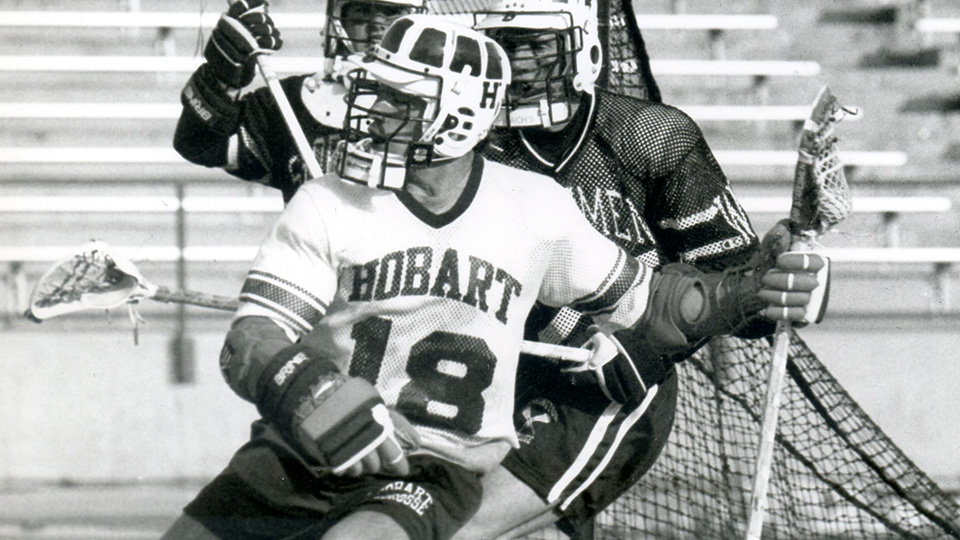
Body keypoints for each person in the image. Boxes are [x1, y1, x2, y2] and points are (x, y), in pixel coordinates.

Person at [161, 14, 826, 540]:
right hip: (303, 442)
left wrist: (755, 287)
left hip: (432, 463)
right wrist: (309, 391)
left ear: (455, 114)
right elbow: (250, 339)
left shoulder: (533, 208)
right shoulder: (329, 201)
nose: (369, 112)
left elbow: (652, 304)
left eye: (397, 100)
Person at [450, 0, 828, 537]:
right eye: (507, 47)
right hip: (499, 369)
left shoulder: (648, 137)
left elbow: (733, 288)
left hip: (615, 381)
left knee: (467, 526)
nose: (521, 64)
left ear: (584, 45)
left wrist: (781, 280)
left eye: (536, 44)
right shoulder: (470, 143)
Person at [172, 0, 425, 202]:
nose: (378, 26)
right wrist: (222, 79)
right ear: (338, 20)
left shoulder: (441, 108)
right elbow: (197, 144)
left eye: (392, 12)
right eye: (362, 11)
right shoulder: (291, 102)